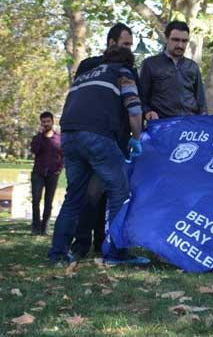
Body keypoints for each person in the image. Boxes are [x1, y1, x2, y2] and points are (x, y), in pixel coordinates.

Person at [48, 46, 148, 266]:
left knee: (74, 196)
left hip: (69, 135)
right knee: (119, 191)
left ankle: (58, 255)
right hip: (97, 135)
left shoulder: (85, 75)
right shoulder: (123, 72)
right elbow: (134, 109)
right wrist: (137, 138)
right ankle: (116, 254)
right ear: (127, 62)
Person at [70, 23, 139, 257]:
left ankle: (100, 242)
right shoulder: (89, 65)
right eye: (126, 44)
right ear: (111, 43)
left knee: (102, 194)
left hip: (114, 138)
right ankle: (83, 244)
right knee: (87, 195)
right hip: (94, 137)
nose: (130, 49)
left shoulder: (131, 69)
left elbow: (134, 102)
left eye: (131, 44)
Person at [139, 20, 207, 119]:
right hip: (162, 125)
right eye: (175, 40)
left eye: (184, 41)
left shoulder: (193, 66)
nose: (180, 45)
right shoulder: (150, 64)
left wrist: (204, 122)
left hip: (190, 126)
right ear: (166, 39)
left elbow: (201, 102)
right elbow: (141, 98)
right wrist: (147, 112)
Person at [30, 111, 63, 236]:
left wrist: (60, 168)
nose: (46, 124)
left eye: (48, 121)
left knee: (48, 202)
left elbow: (63, 154)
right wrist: (40, 135)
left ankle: (44, 228)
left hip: (53, 173)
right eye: (43, 122)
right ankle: (35, 227)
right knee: (36, 200)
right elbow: (34, 150)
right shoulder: (37, 138)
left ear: (52, 122)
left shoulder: (59, 138)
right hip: (38, 172)